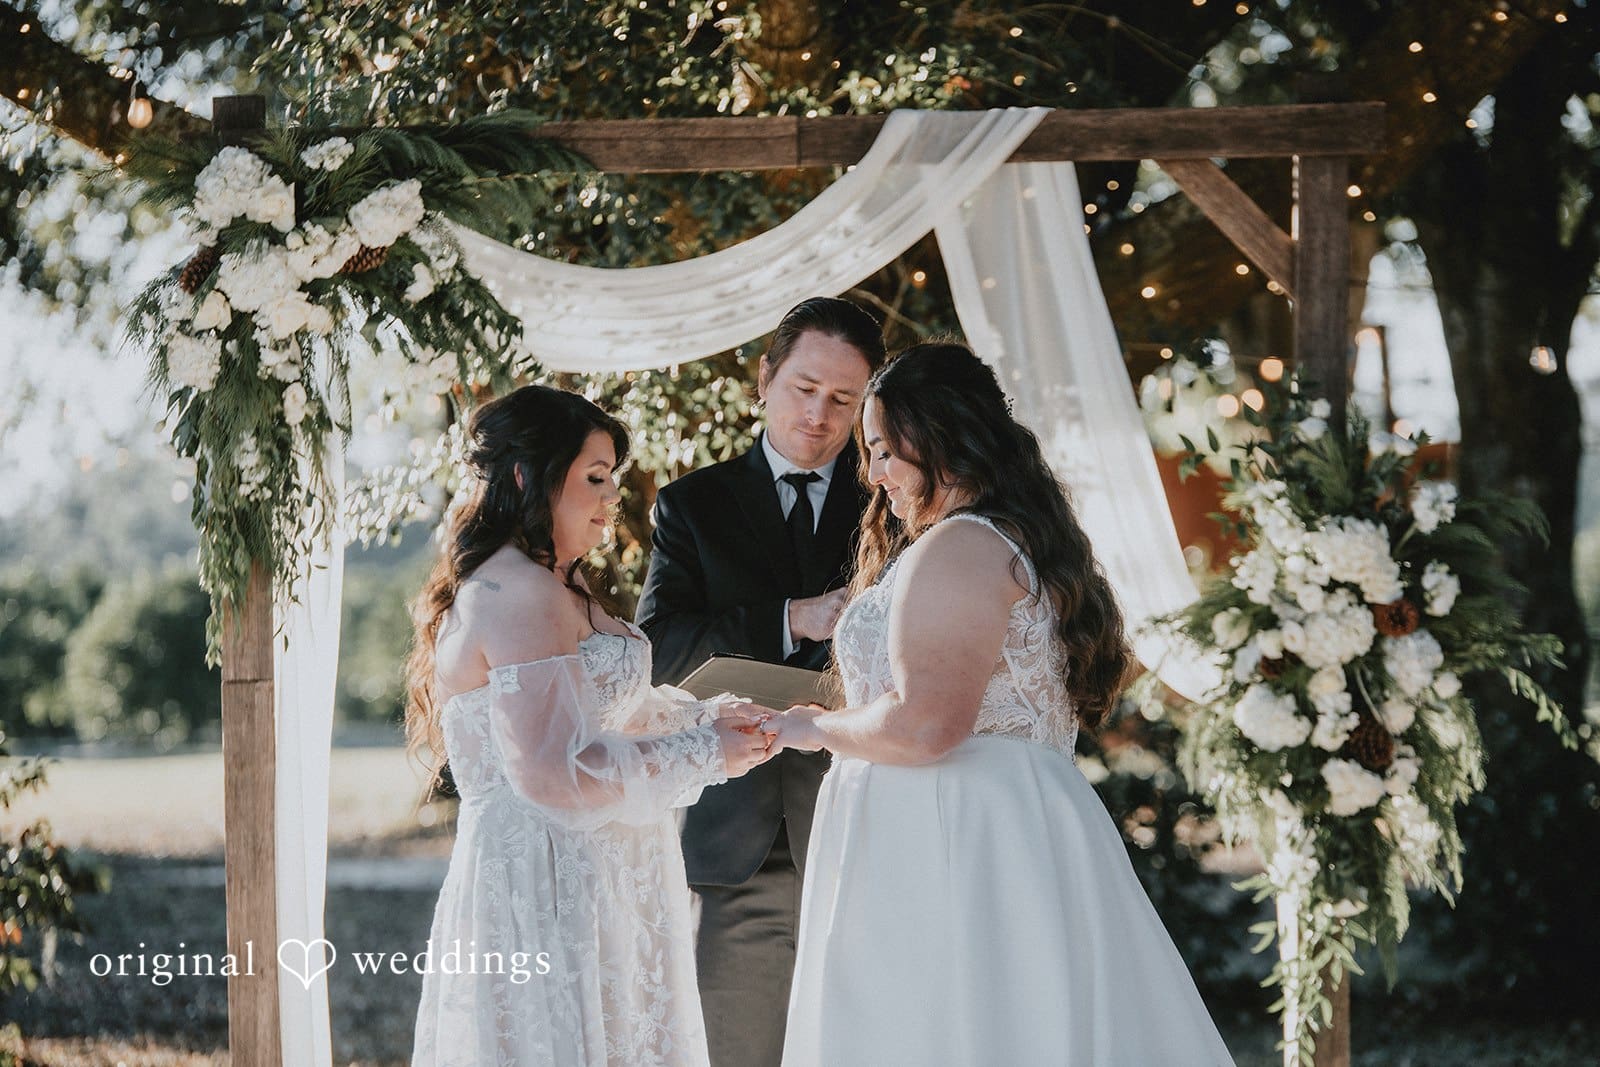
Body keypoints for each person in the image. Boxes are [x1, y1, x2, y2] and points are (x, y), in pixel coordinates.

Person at [765, 343, 1234, 1066]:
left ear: (937, 437)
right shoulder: (1000, 540)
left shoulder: (959, 546)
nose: (874, 472)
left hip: (955, 836)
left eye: (885, 450)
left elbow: (927, 724)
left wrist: (810, 727)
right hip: (994, 820)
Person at [406, 385, 776, 1066]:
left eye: (615, 479)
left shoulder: (554, 582)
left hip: (594, 871)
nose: (613, 497)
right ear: (525, 476)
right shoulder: (519, 592)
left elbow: (597, 711)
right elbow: (553, 770)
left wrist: (705, 717)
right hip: (545, 886)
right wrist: (704, 751)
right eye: (595, 477)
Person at [636, 297, 887, 1066]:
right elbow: (658, 648)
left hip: (869, 828)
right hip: (738, 836)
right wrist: (790, 617)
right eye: (804, 388)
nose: (819, 414)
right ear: (764, 378)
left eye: (843, 400)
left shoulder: (893, 504)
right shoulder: (693, 506)